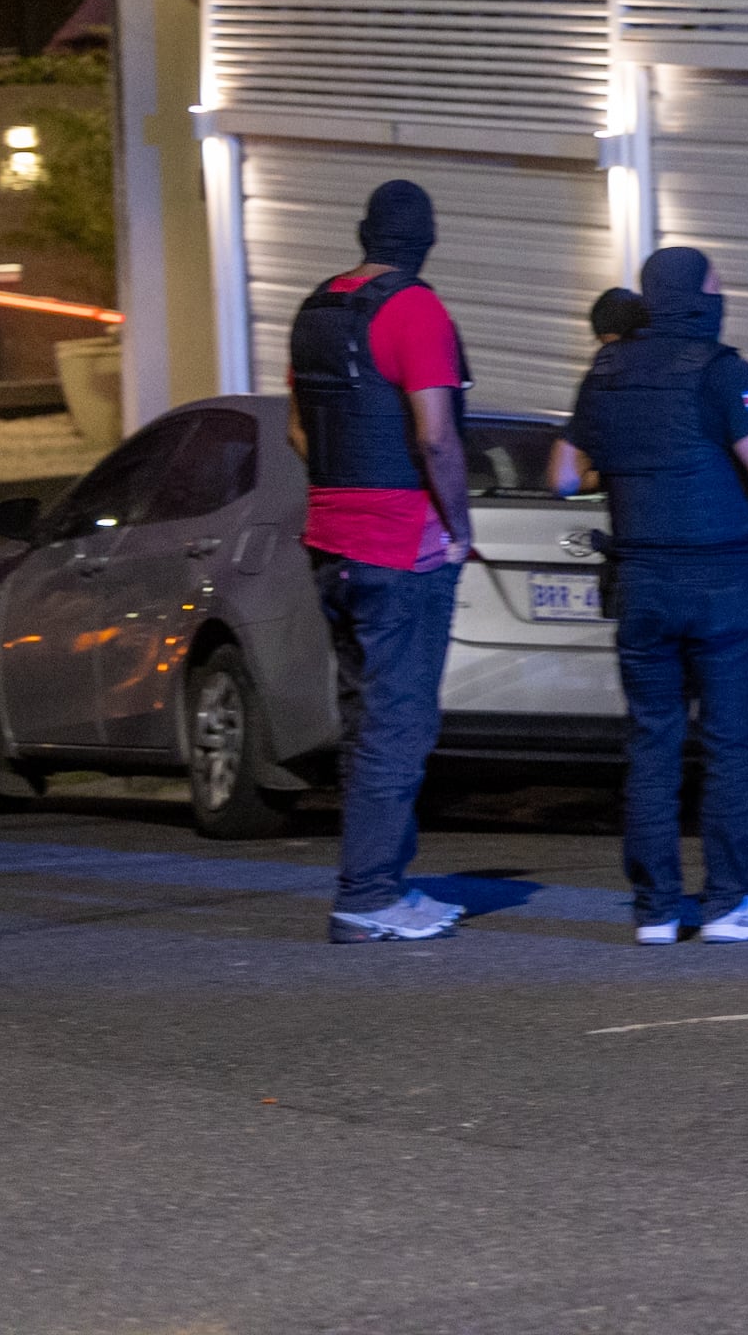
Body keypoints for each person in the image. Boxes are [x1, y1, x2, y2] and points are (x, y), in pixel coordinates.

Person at [552, 246, 748, 945]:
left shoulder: (604, 370)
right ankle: (730, 901)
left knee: (652, 743)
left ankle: (656, 909)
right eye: (717, 284)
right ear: (697, 298)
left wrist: (628, 475)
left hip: (641, 580)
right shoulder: (723, 371)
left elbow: (561, 474)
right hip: (722, 580)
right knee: (732, 745)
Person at [287, 180, 473, 945]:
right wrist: (457, 523)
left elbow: (300, 429)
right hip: (402, 544)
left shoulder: (318, 309)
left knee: (367, 718)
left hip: (331, 540)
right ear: (427, 240)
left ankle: (382, 883)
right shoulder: (417, 310)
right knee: (401, 723)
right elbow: (436, 435)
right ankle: (369, 895)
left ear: (364, 232)